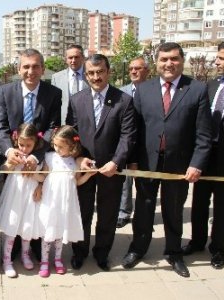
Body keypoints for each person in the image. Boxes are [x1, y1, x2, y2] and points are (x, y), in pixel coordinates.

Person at [121, 42, 212, 278]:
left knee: (173, 209)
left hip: (179, 164)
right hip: (146, 162)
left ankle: (173, 252)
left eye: (173, 59)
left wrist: (196, 164)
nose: (169, 63)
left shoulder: (197, 89)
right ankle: (138, 249)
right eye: (164, 59)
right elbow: (135, 130)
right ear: (156, 63)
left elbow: (204, 134)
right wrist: (132, 161)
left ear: (182, 60)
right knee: (144, 207)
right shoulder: (143, 90)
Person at [66, 53, 136, 271]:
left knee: (108, 213)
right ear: (85, 75)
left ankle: (102, 252)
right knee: (82, 212)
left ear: (108, 72)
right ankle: (79, 252)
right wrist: (78, 157)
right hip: (84, 168)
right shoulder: (77, 100)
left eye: (100, 72)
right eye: (91, 73)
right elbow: (72, 133)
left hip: (110, 170)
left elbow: (128, 135)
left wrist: (116, 162)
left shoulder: (124, 101)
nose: (96, 77)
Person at [0, 48, 62, 261]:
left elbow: (53, 128)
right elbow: (0, 126)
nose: (30, 71)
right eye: (26, 66)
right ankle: (11, 249)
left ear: (42, 69)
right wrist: (8, 150)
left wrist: (36, 156)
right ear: (18, 68)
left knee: (35, 203)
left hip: (38, 160)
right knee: (14, 206)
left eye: (35, 66)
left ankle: (32, 245)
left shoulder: (54, 94)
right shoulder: (5, 92)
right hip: (13, 160)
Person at [181, 38, 224, 269]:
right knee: (199, 203)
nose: (216, 61)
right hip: (204, 157)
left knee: (222, 207)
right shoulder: (210, 86)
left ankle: (219, 248)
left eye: (222, 58)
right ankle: (197, 241)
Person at [37, 125, 94, 278]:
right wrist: (33, 177)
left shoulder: (74, 162)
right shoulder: (49, 157)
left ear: (72, 146)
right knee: (48, 231)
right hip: (51, 201)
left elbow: (76, 182)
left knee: (60, 232)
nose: (56, 149)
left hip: (66, 203)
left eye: (61, 146)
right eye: (55, 145)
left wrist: (88, 175)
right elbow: (43, 176)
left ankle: (57, 259)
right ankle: (44, 261)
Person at [0, 123, 45, 278]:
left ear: (36, 143)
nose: (24, 149)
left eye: (28, 145)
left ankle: (25, 254)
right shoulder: (15, 155)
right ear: (16, 141)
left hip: (30, 197)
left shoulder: (37, 159)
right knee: (12, 225)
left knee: (27, 226)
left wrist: (33, 173)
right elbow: (4, 169)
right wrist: (10, 163)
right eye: (21, 144)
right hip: (15, 195)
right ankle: (7, 259)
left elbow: (43, 177)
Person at [116, 56, 150, 229]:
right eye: (130, 69)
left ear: (148, 71)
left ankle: (144, 218)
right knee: (125, 181)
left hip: (147, 145)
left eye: (138, 68)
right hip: (126, 143)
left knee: (145, 185)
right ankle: (123, 213)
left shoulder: (154, 91)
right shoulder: (121, 93)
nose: (133, 72)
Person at [51, 44, 89, 125]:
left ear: (83, 58)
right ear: (66, 59)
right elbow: (53, 105)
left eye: (76, 57)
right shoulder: (56, 78)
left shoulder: (91, 75)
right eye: (70, 58)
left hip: (87, 123)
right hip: (64, 124)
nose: (73, 60)